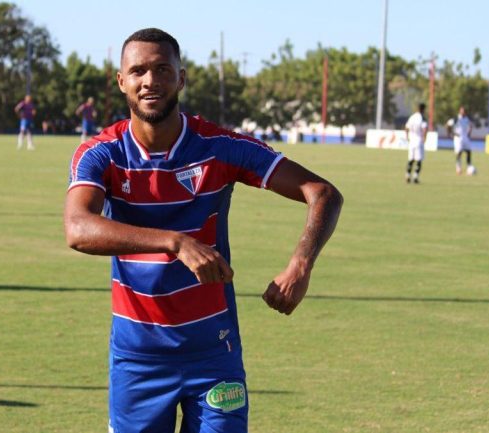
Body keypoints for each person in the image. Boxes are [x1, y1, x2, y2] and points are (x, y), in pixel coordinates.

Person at [64, 28, 343, 433]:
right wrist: (174, 242)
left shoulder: (220, 146)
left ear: (181, 77)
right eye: (138, 71)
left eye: (162, 69)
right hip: (138, 358)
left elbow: (322, 194)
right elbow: (77, 228)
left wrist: (301, 266)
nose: (150, 81)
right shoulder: (101, 153)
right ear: (121, 81)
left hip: (214, 353)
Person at [405, 103, 428, 183]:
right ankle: (415, 177)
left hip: (411, 141)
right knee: (419, 160)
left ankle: (407, 175)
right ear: (423, 109)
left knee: (410, 159)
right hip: (418, 140)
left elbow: (406, 127)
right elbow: (424, 128)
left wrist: (407, 136)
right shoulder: (422, 118)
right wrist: (424, 138)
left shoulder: (412, 117)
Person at [453, 106, 475, 175]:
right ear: (460, 111)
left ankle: (469, 167)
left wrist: (469, 133)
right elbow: (448, 125)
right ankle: (458, 167)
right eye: (462, 110)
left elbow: (471, 126)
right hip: (458, 137)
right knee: (459, 152)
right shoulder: (456, 118)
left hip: (465, 137)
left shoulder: (466, 118)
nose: (463, 112)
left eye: (464, 111)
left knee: (468, 151)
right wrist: (451, 133)